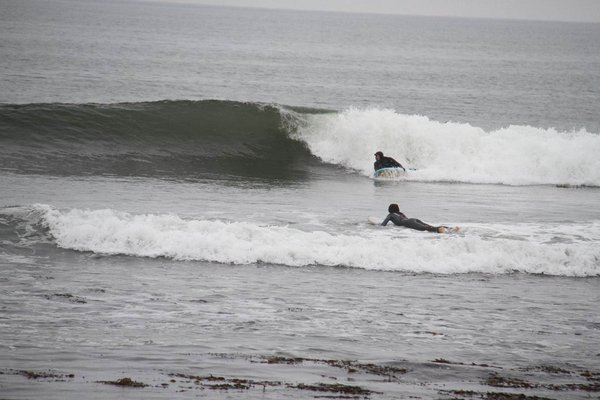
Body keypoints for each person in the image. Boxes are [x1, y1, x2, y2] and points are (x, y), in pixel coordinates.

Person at [381, 203, 449, 233]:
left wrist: (376, 226)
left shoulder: (390, 215)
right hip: (413, 219)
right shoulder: (401, 213)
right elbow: (404, 220)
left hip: (409, 222)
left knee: (425, 228)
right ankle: (449, 228)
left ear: (390, 210)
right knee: (428, 226)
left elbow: (383, 224)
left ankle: (439, 230)